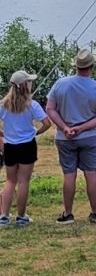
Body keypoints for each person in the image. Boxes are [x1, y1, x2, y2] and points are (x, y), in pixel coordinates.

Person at [46, 49, 96, 224]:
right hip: (89, 136)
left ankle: (68, 213)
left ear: (76, 66)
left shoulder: (60, 84)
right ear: (92, 66)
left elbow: (50, 109)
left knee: (69, 174)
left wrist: (65, 127)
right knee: (91, 173)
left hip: (64, 137)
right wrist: (82, 128)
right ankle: (95, 212)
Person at [0, 70, 51, 227]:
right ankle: (21, 217)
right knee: (23, 182)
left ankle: (4, 216)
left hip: (10, 145)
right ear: (25, 85)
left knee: (10, 181)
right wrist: (36, 132)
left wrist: (3, 133)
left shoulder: (3, 104)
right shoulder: (32, 105)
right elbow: (47, 123)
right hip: (27, 145)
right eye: (29, 81)